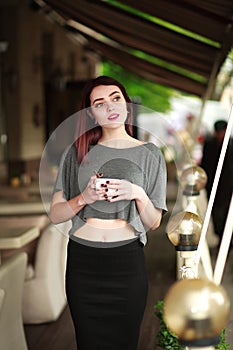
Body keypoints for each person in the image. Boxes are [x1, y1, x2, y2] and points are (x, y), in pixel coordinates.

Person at [49, 75, 167, 350]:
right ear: (91, 113)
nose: (110, 107)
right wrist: (84, 197)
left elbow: (154, 223)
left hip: (126, 262)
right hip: (83, 264)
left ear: (126, 104)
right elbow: (56, 214)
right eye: (99, 103)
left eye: (115, 98)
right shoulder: (76, 152)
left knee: (125, 342)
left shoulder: (150, 154)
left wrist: (137, 193)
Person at [200, 119, 233, 243]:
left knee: (227, 215)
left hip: (229, 188)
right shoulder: (209, 144)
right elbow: (205, 164)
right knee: (217, 216)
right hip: (214, 187)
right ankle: (221, 237)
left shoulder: (231, 144)